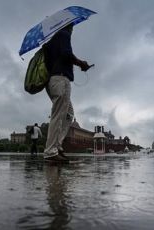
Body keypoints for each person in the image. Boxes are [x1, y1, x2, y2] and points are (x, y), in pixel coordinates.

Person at [43, 24, 91, 161]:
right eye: (72, 26)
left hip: (54, 81)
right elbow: (66, 54)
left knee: (68, 114)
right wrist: (81, 63)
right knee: (58, 114)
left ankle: (56, 146)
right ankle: (51, 151)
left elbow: (64, 55)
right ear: (68, 26)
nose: (72, 29)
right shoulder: (64, 35)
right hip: (60, 79)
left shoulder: (53, 41)